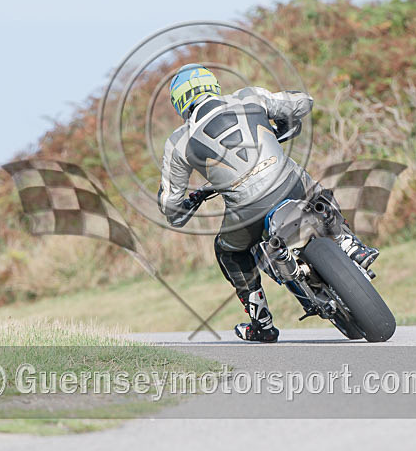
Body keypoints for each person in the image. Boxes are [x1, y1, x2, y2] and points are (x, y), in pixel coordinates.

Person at [157, 64, 378, 342]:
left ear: (180, 102)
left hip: (246, 210)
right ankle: (350, 244)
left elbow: (170, 205)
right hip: (287, 183)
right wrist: (281, 126)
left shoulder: (178, 142)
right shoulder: (249, 97)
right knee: (314, 191)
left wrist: (186, 205)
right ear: (213, 85)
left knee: (228, 252)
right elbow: (302, 102)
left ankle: (260, 321)